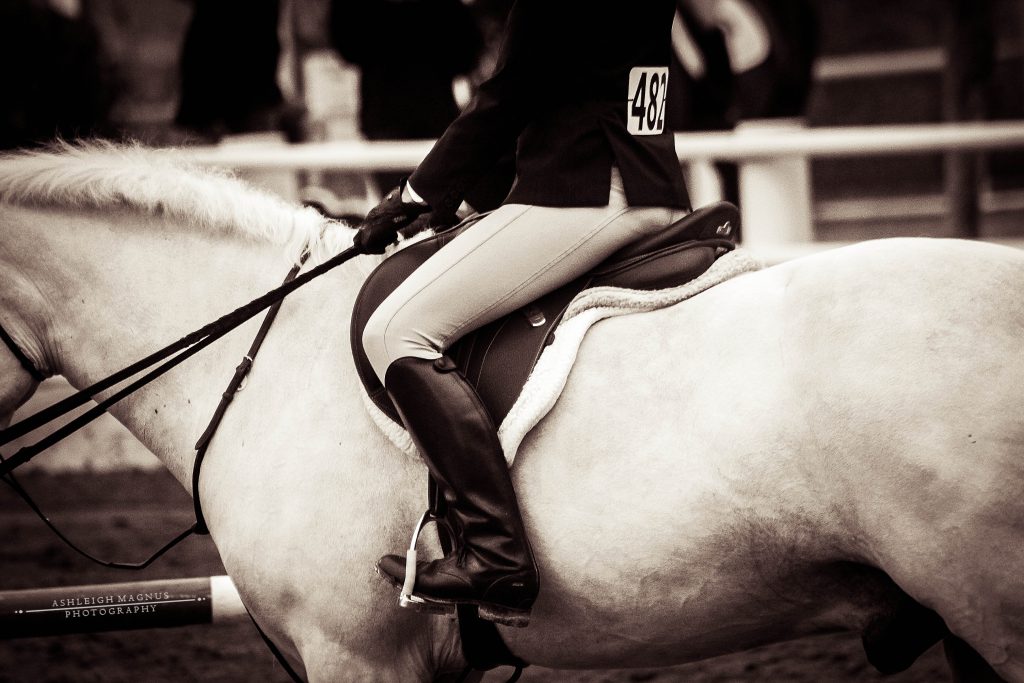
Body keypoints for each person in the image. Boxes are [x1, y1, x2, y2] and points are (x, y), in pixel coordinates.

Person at [354, 0, 690, 626]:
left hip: (583, 193)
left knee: (397, 331)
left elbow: (510, 96)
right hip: (645, 179)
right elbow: (574, 86)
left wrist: (416, 194)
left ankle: (495, 553)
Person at [329, 0, 483, 194]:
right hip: (415, 117)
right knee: (416, 205)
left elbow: (467, 51)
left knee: (415, 205)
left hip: (407, 118)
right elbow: (467, 53)